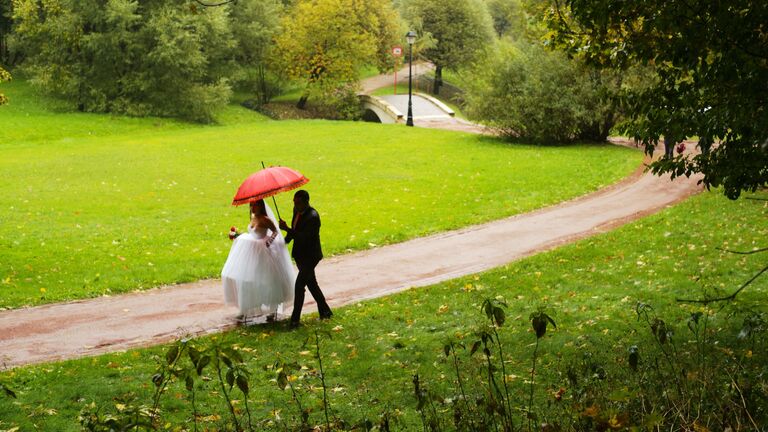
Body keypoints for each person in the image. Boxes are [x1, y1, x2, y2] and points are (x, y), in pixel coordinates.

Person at [221, 199, 295, 323]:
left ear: (261, 206)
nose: (253, 207)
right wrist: (237, 235)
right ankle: (244, 308)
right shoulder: (253, 217)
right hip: (251, 250)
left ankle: (272, 309)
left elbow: (275, 231)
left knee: (267, 279)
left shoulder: (265, 219)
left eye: (255, 205)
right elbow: (252, 233)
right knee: (246, 277)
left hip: (262, 251)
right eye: (252, 205)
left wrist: (269, 242)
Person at [279, 190, 332, 328]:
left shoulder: (313, 217)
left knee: (299, 286)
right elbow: (295, 229)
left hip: (311, 256)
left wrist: (287, 229)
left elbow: (304, 238)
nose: (296, 205)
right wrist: (284, 242)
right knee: (312, 284)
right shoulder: (296, 211)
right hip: (300, 255)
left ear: (306, 202)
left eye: (298, 203)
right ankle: (325, 311)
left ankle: (295, 320)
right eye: (294, 202)